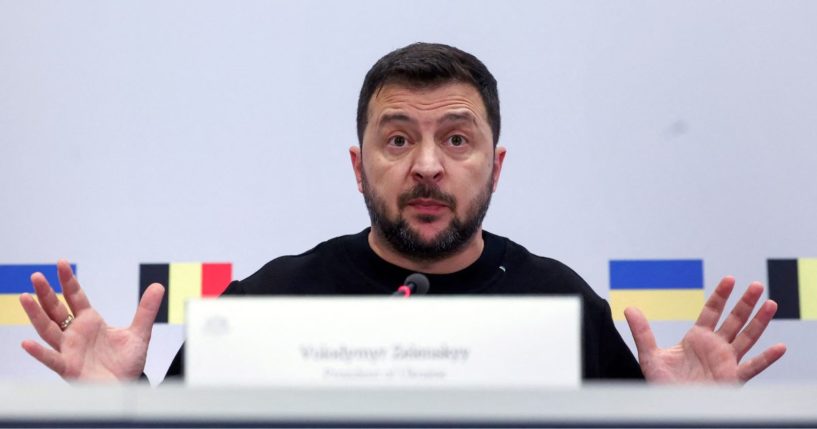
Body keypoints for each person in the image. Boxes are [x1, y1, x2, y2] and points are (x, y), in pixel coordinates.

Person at [19, 43, 786, 383]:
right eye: (396, 139)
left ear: (496, 165)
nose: (426, 164)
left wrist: (678, 424)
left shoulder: (562, 306)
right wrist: (121, 409)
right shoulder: (264, 305)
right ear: (359, 166)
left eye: (456, 138)